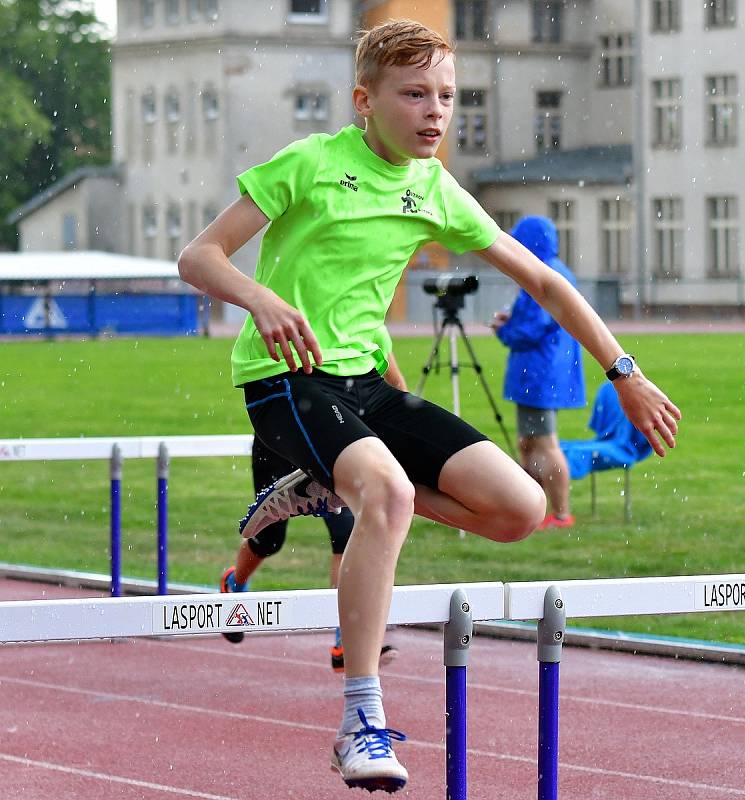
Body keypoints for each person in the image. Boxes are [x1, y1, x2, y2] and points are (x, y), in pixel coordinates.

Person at [178, 19, 681, 794]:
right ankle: (360, 719)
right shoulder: (311, 164)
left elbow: (543, 282)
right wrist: (261, 300)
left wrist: (624, 371)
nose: (435, 112)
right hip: (289, 378)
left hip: (370, 387)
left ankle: (318, 489)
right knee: (384, 492)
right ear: (364, 102)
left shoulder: (434, 188)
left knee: (520, 508)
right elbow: (199, 257)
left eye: (447, 96)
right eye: (414, 95)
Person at [220, 337, 407, 676]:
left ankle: (345, 637)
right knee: (269, 539)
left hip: (337, 433)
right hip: (283, 434)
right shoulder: (300, 308)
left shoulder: (363, 320)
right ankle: (234, 583)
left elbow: (391, 373)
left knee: (347, 532)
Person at [491, 215, 585, 530]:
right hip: (545, 370)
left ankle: (560, 514)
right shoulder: (557, 271)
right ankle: (536, 511)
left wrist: (505, 330)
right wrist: (513, 321)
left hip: (538, 372)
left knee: (544, 442)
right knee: (530, 441)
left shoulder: (541, 273)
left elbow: (533, 328)